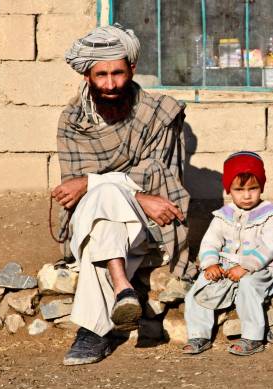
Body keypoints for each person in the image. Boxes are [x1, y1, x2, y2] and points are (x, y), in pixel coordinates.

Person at [52, 23, 195, 366]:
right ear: (87, 75)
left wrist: (94, 182)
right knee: (102, 209)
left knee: (105, 204)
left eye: (118, 72)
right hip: (92, 219)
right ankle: (122, 288)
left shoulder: (159, 114)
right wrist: (122, 190)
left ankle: (91, 333)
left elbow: (158, 174)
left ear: (131, 69)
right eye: (101, 74)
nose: (111, 83)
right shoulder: (72, 121)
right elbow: (76, 196)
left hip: (148, 223)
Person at [182, 152, 273, 356]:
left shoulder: (271, 216)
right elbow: (210, 241)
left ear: (261, 187)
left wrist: (246, 267)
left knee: (248, 286)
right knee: (199, 286)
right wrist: (210, 264)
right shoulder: (222, 216)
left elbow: (268, 247)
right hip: (225, 266)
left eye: (253, 189)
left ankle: (253, 337)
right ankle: (198, 334)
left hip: (257, 269)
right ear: (229, 190)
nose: (247, 196)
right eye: (239, 190)